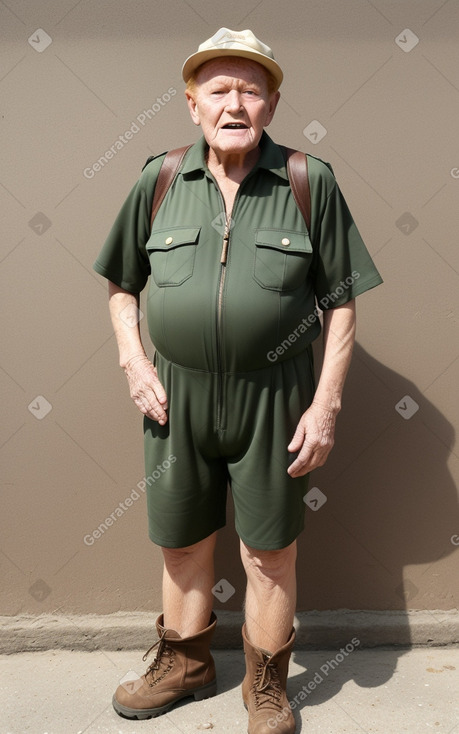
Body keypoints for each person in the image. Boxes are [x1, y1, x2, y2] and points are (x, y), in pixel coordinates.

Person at [93, 27, 383, 734]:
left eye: (250, 90)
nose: (235, 102)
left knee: (268, 550)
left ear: (271, 104)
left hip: (274, 399)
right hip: (176, 396)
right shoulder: (157, 180)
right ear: (192, 103)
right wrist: (133, 361)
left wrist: (325, 403)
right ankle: (186, 662)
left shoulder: (309, 182)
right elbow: (121, 286)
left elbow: (340, 300)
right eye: (218, 89)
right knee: (181, 540)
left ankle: (266, 685)